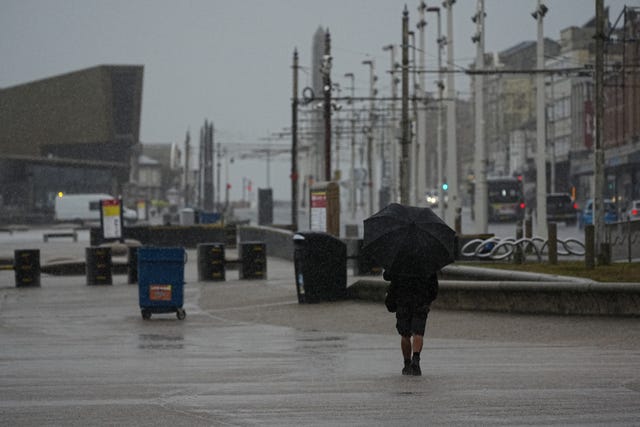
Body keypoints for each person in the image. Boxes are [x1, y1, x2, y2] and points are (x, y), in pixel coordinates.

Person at [383, 270, 439, 376]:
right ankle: (416, 358)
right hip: (420, 300)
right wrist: (428, 299)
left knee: (405, 334)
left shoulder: (399, 261)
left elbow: (387, 276)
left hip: (403, 300)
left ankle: (407, 363)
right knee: (418, 332)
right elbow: (434, 287)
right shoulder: (426, 262)